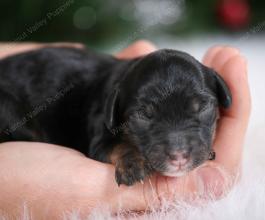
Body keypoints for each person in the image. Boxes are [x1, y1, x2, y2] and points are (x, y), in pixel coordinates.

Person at [0, 40, 251, 219]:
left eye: (200, 108)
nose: (178, 149)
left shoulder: (127, 91)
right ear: (115, 110)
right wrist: (124, 153)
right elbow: (99, 143)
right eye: (144, 116)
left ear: (220, 95)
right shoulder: (110, 102)